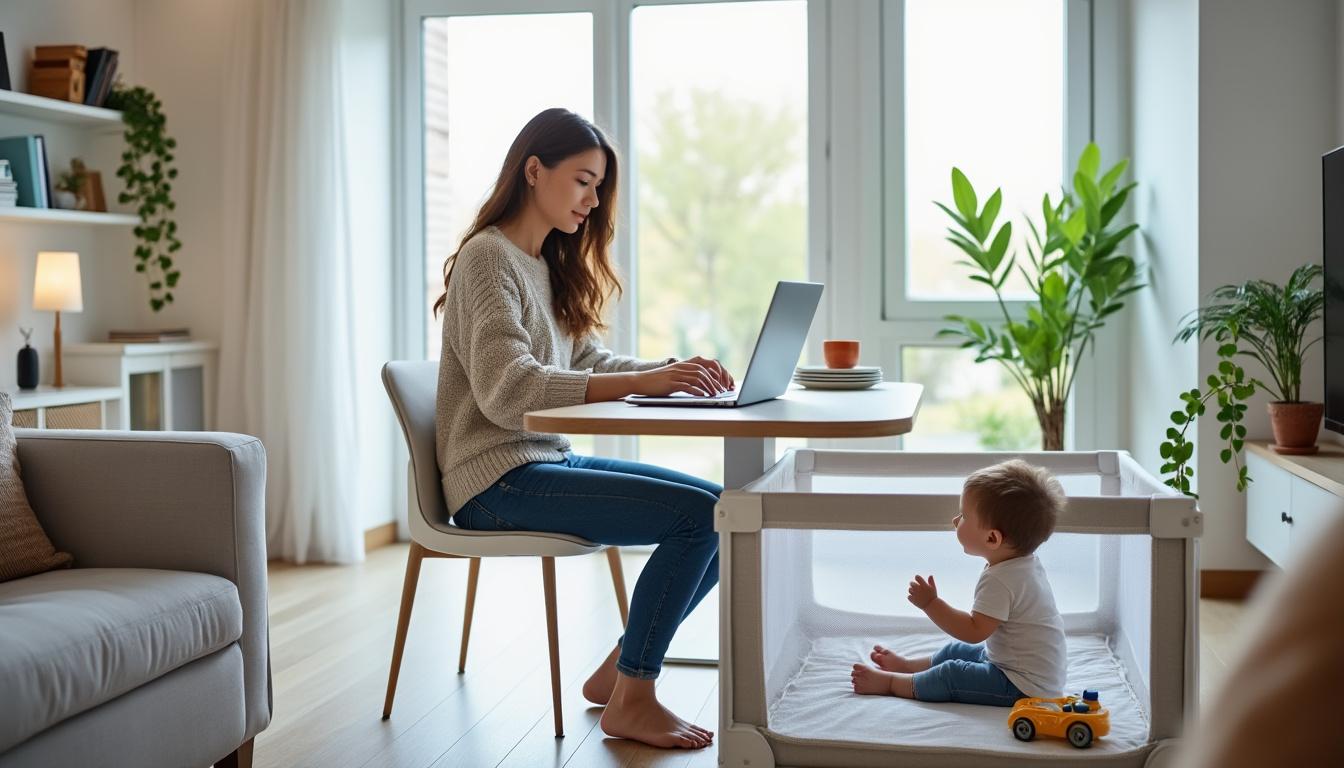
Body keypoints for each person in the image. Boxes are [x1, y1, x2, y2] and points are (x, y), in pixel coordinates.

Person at [434, 107, 730, 749]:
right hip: (494, 483)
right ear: (534, 172)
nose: (594, 203)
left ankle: (620, 674)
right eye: (584, 182)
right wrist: (643, 384)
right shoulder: (488, 260)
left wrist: (667, 371)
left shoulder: (545, 261)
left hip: (541, 464)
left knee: (723, 511)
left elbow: (586, 363)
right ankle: (635, 696)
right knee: (702, 519)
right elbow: (510, 392)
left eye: (599, 189)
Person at [850, 459, 1068, 706]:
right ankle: (908, 667)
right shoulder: (1024, 564)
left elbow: (973, 631)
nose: (955, 520)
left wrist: (931, 604)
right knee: (956, 651)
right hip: (1026, 670)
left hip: (1022, 686)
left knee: (952, 674)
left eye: (963, 516)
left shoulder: (1001, 580)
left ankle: (891, 683)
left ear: (992, 538)